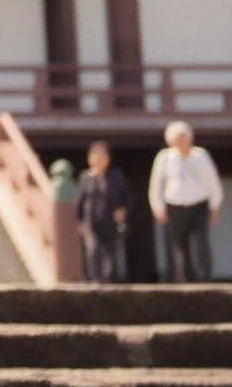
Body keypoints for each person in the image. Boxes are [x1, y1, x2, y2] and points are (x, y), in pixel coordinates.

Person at [149, 121, 222, 282]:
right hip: (174, 207)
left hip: (199, 205)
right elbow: (156, 185)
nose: (182, 142)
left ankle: (205, 278)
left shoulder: (200, 155)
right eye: (178, 139)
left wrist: (214, 207)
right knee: (179, 246)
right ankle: (186, 279)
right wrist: (157, 206)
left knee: (201, 243)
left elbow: (212, 182)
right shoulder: (164, 158)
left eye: (184, 138)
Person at [74, 141, 131, 283]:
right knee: (93, 250)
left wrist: (123, 210)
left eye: (102, 156)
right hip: (91, 220)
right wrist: (79, 219)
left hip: (110, 220)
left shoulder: (116, 176)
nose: (99, 160)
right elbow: (79, 200)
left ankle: (109, 279)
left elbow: (127, 197)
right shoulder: (85, 177)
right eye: (96, 156)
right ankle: (95, 278)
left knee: (110, 252)